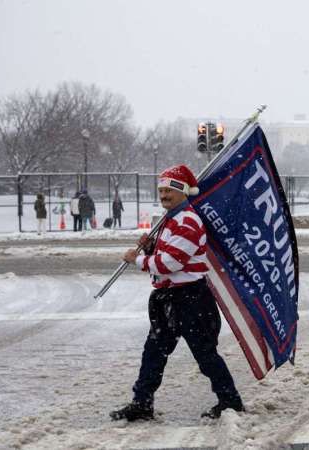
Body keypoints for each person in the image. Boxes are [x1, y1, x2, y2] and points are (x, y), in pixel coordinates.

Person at [110, 164, 243, 422]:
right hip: (167, 299)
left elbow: (170, 264)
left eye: (169, 190)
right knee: (154, 352)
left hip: (191, 298)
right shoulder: (169, 220)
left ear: (183, 191)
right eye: (160, 190)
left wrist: (135, 260)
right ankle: (142, 402)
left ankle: (230, 402)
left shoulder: (189, 221)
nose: (164, 195)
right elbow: (162, 257)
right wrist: (150, 247)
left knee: (205, 355)